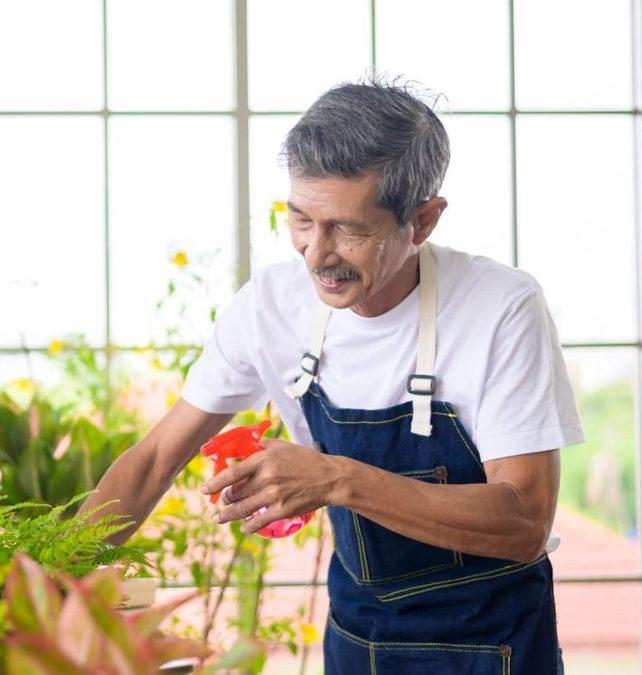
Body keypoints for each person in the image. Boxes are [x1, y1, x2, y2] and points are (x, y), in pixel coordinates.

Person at [82, 79, 582, 674]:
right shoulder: (270, 305)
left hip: (491, 647)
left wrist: (337, 480)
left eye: (348, 229)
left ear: (421, 222)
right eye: (300, 219)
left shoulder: (501, 307)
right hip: (358, 639)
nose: (316, 254)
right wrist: (54, 576)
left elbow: (524, 520)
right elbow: (154, 457)